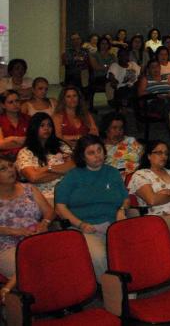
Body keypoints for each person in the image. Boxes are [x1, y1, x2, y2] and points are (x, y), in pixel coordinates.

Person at [54, 135, 129, 278]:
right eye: (91, 152)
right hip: (87, 227)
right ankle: (113, 288)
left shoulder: (112, 172)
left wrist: (122, 210)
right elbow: (60, 207)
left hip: (113, 224)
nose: (97, 155)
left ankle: (129, 285)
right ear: (82, 157)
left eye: (99, 150)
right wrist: (80, 224)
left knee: (131, 249)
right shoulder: (73, 176)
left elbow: (125, 198)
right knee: (99, 256)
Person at [0, 154, 55, 304]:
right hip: (7, 245)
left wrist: (44, 223)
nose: (10, 170)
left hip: (35, 238)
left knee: (59, 257)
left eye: (11, 166)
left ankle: (8, 290)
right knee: (31, 265)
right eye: (3, 169)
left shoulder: (28, 189)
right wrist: (16, 232)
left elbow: (49, 211)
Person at [128, 141, 170, 238]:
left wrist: (167, 193)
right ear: (149, 156)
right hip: (157, 220)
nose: (164, 156)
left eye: (166, 153)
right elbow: (152, 200)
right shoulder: (140, 175)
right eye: (159, 153)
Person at [16, 113, 74, 204]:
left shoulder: (61, 146)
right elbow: (33, 178)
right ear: (34, 128)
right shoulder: (25, 152)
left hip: (69, 191)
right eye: (42, 125)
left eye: (49, 125)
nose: (46, 128)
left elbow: (73, 165)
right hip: (44, 197)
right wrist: (63, 170)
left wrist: (46, 169)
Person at [101, 112, 143, 179]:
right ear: (106, 129)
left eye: (121, 128)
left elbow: (144, 158)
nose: (118, 131)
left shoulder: (131, 141)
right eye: (114, 128)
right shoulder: (100, 147)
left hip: (136, 178)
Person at [87, 37, 116, 110]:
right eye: (102, 43)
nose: (104, 45)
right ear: (99, 44)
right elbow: (96, 67)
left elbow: (115, 66)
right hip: (98, 77)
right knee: (110, 80)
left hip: (110, 76)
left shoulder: (112, 55)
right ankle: (111, 101)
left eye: (106, 44)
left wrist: (104, 66)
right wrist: (108, 66)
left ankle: (117, 102)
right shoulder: (93, 55)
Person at [0, 91, 27, 155]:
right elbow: (0, 145)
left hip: (26, 157)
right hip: (5, 159)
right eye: (11, 102)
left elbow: (35, 141)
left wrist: (8, 140)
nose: (15, 104)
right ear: (3, 105)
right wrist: (16, 139)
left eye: (17, 101)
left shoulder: (28, 118)